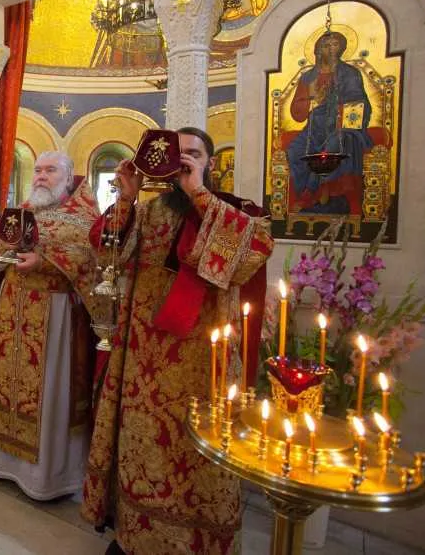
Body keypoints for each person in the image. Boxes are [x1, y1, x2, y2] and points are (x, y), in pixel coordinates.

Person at [82, 128, 273, 555]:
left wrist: (197, 194)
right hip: (142, 364)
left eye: (193, 154)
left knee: (198, 458)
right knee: (139, 448)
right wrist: (127, 197)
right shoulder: (150, 213)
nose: (183, 160)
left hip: (203, 364)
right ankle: (133, 536)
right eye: (176, 154)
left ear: (210, 163)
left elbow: (251, 254)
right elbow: (105, 252)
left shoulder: (236, 212)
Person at [0, 152, 106, 500]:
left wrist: (44, 261)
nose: (41, 177)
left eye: (51, 171)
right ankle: (4, 463)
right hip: (12, 314)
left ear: (68, 177)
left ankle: (47, 478)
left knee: (50, 392)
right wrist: (1, 254)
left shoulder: (82, 218)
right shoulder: (19, 211)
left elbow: (91, 260)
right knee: (10, 385)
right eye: (38, 170)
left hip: (56, 317)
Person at [286, 31, 372, 215]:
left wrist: (340, 116)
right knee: (294, 150)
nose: (331, 49)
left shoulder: (349, 73)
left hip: (344, 126)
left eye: (335, 45)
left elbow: (359, 104)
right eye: (326, 45)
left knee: (333, 146)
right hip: (315, 128)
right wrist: (311, 98)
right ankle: (311, 191)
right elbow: (297, 113)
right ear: (318, 49)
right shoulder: (308, 77)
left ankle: (315, 193)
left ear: (342, 48)